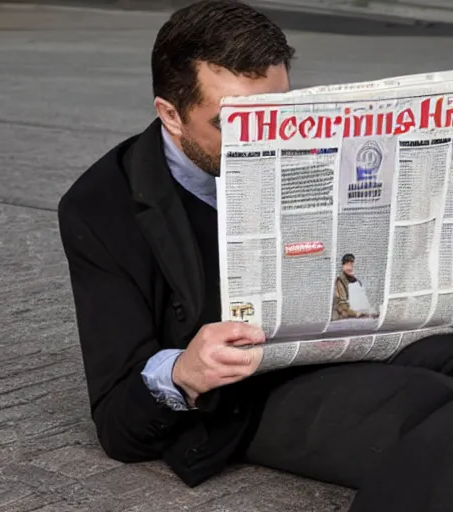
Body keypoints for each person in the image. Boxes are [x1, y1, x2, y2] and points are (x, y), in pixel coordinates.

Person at [58, 2, 453, 511]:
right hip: (255, 390)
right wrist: (181, 372)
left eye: (277, 113)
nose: (262, 138)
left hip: (369, 340)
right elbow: (117, 422)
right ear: (170, 114)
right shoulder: (101, 208)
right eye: (233, 123)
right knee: (437, 420)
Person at [332, 253, 371, 320]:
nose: (349, 267)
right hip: (345, 318)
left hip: (359, 316)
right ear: (343, 266)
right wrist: (356, 313)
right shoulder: (340, 280)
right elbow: (342, 304)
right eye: (347, 264)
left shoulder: (357, 281)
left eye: (352, 265)